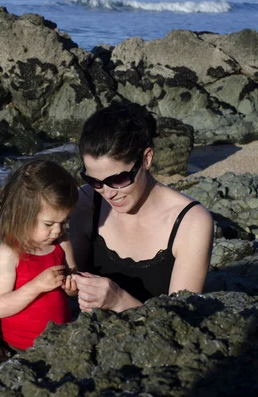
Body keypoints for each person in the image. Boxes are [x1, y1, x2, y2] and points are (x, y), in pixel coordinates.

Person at [70, 101, 214, 313]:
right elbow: (70, 292)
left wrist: (119, 301)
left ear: (146, 159)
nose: (108, 193)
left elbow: (184, 320)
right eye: (95, 181)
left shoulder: (191, 222)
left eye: (118, 179)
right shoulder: (86, 202)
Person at [0, 159, 79, 352]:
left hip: (60, 342)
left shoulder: (62, 244)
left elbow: (72, 287)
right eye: (49, 224)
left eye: (64, 221)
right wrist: (36, 286)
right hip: (18, 347)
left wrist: (73, 286)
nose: (58, 230)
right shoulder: (10, 251)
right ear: (22, 215)